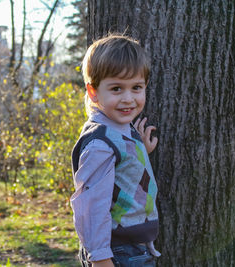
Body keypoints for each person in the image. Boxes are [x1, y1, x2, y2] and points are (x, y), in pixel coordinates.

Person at [70, 34, 161, 267]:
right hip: (118, 253)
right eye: (117, 88)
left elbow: (119, 172)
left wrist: (139, 150)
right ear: (93, 92)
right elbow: (91, 206)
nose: (128, 99)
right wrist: (101, 258)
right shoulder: (100, 143)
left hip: (132, 249)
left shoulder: (119, 129)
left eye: (136, 87)